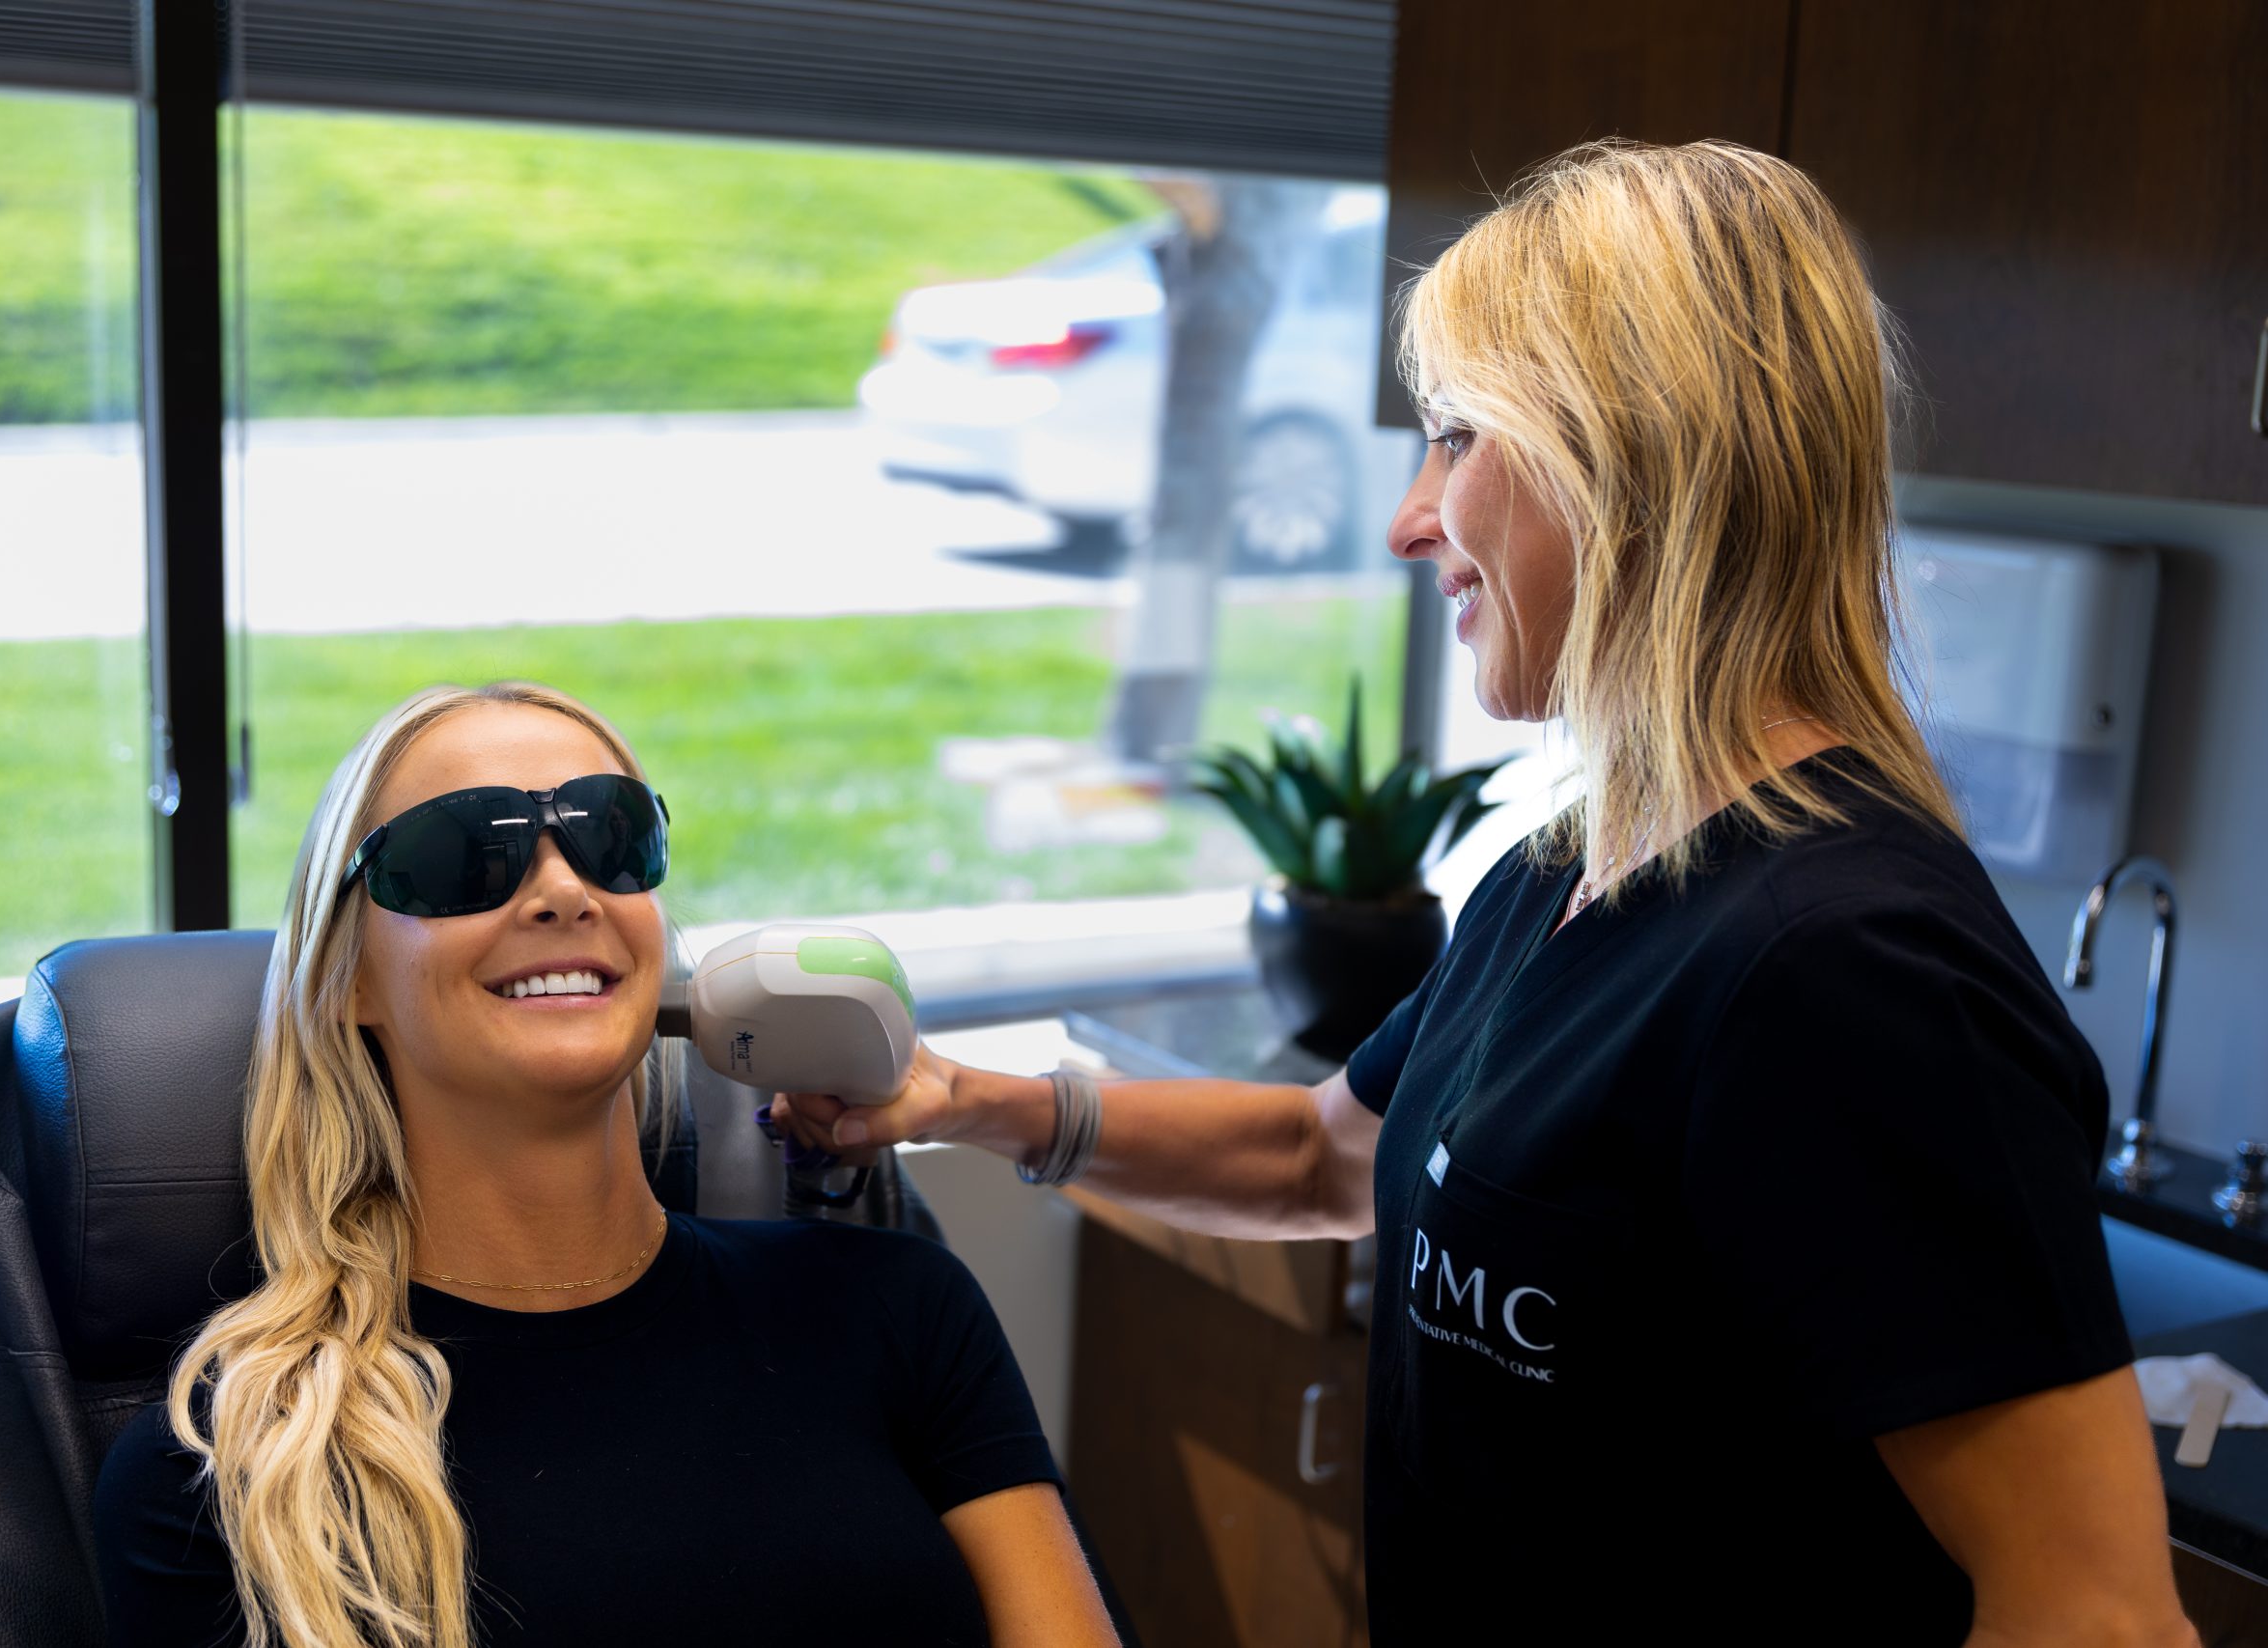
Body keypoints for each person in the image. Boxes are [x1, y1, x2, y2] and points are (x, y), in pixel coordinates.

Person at [776, 142, 2198, 1645]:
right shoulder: (1567, 867)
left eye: (1456, 436)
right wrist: (962, 1097)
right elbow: (1322, 1161)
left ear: (1633, 456)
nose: (1408, 520)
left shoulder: (1847, 966)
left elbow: (2098, 1615)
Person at [91, 682, 1119, 1648]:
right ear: (348, 978)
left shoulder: (898, 1306)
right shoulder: (236, 1465)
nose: (560, 889)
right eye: (463, 856)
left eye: (609, 837)